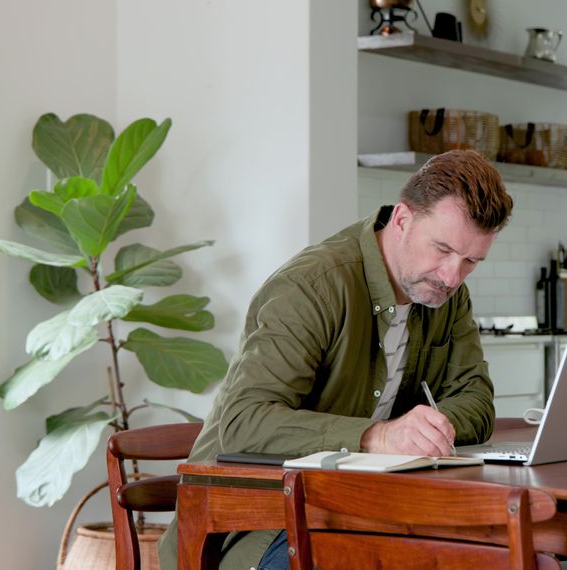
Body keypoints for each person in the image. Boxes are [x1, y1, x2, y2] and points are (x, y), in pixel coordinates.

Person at [157, 149, 513, 570]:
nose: (452, 276)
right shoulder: (313, 286)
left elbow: (475, 399)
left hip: (369, 510)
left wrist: (427, 430)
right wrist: (379, 436)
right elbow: (243, 422)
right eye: (442, 249)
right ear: (402, 220)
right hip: (263, 521)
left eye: (472, 261)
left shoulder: (447, 296)